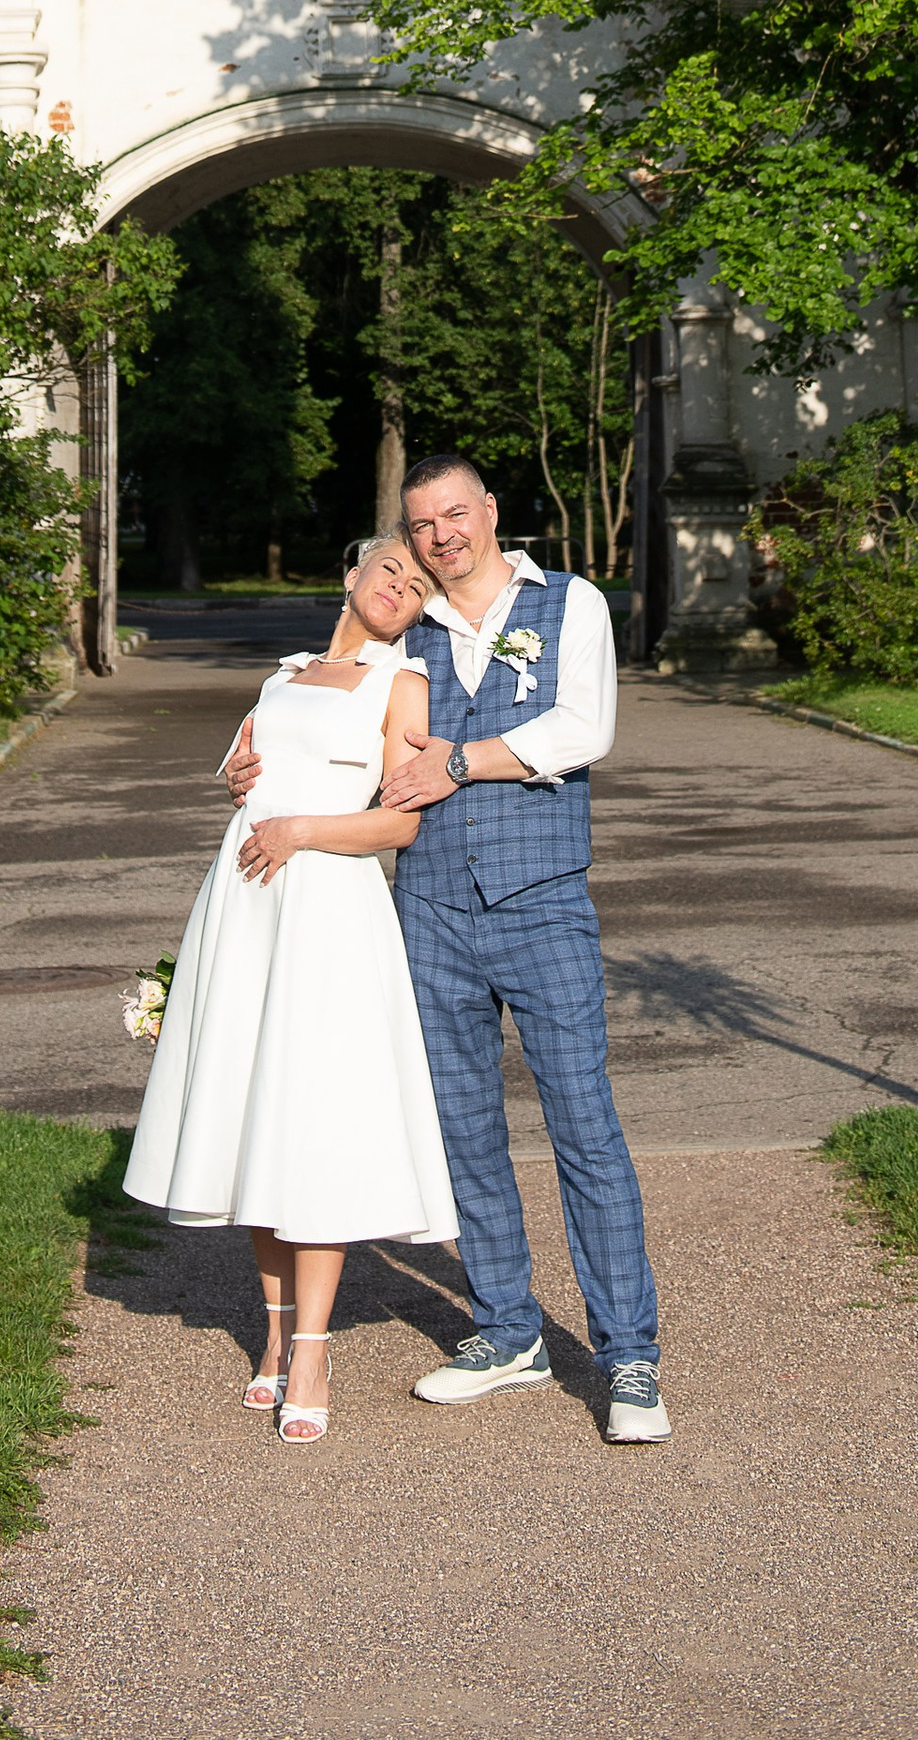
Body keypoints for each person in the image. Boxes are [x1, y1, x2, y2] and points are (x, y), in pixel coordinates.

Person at [244, 451, 668, 1445]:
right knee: (463, 1129)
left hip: (543, 898)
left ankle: (629, 1357)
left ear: (488, 512)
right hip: (428, 908)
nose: (441, 537)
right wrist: (254, 768)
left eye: (454, 515)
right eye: (422, 525)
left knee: (585, 1127)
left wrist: (460, 764)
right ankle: (508, 1331)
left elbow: (584, 727)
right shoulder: (408, 633)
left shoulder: (570, 602)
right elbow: (329, 717)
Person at [124, 531, 456, 1445]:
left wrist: (304, 829)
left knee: (310, 1117)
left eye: (419, 584)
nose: (400, 585)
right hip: (246, 903)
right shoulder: (285, 674)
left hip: (328, 913)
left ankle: (313, 1348)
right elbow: (247, 768)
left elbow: (401, 823)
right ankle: (272, 1338)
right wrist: (235, 776)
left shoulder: (404, 685)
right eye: (390, 567)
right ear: (352, 574)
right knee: (253, 1114)